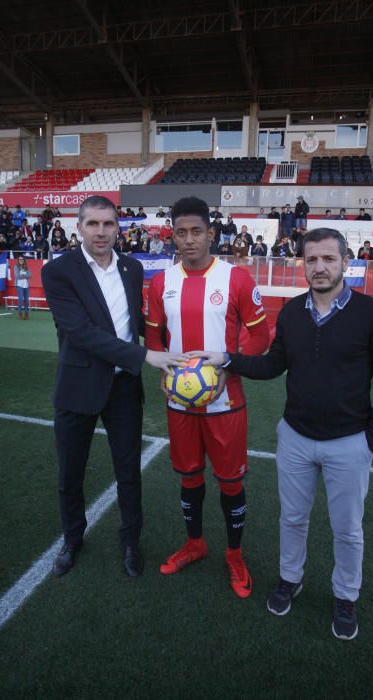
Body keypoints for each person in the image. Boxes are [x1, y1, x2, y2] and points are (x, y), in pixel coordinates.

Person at [195, 227, 373, 640]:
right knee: (292, 518)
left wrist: (370, 442)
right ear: (301, 263)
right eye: (312, 260)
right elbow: (273, 365)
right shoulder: (290, 312)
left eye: (328, 259)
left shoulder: (372, 314)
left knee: (347, 528)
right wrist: (227, 359)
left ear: (346, 262)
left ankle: (346, 596)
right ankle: (291, 578)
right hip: (295, 439)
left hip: (350, 443)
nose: (320, 267)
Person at [41, 195, 185, 579]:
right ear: (79, 227)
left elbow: (136, 321)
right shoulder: (58, 272)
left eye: (108, 224)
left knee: (128, 472)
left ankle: (130, 542)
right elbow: (80, 332)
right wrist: (143, 357)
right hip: (78, 385)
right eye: (93, 224)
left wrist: (173, 343)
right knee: (70, 473)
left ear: (118, 226)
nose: (101, 231)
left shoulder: (132, 268)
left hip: (123, 389)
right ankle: (73, 539)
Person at [145, 196, 269, 599]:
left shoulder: (236, 279)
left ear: (211, 234)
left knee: (230, 482)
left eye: (196, 231)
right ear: (172, 236)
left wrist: (228, 366)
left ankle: (234, 554)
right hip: (179, 403)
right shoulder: (161, 283)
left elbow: (260, 336)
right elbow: (153, 337)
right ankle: (195, 543)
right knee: (189, 476)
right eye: (180, 232)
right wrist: (163, 369)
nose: (188, 240)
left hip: (225, 402)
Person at [14, 255, 31, 320]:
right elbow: (17, 276)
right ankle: (20, 314)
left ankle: (26, 315)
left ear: (24, 260)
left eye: (22, 259)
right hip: (19, 285)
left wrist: (23, 275)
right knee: (20, 299)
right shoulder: (16, 267)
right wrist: (25, 275)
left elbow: (30, 275)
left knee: (26, 300)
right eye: (20, 259)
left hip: (26, 285)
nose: (21, 260)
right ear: (18, 260)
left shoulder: (26, 266)